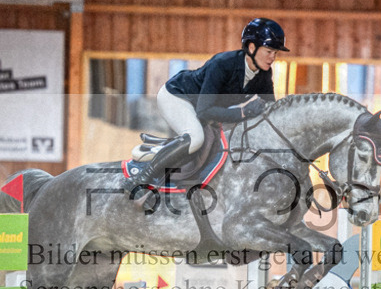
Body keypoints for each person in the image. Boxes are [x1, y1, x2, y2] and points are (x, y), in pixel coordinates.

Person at [120, 18, 288, 193]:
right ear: (252, 47)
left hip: (200, 108)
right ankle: (142, 178)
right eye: (269, 51)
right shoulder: (222, 63)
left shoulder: (264, 74)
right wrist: (243, 112)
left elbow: (270, 110)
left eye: (275, 53)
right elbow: (205, 111)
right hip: (177, 96)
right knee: (195, 138)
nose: (273, 58)